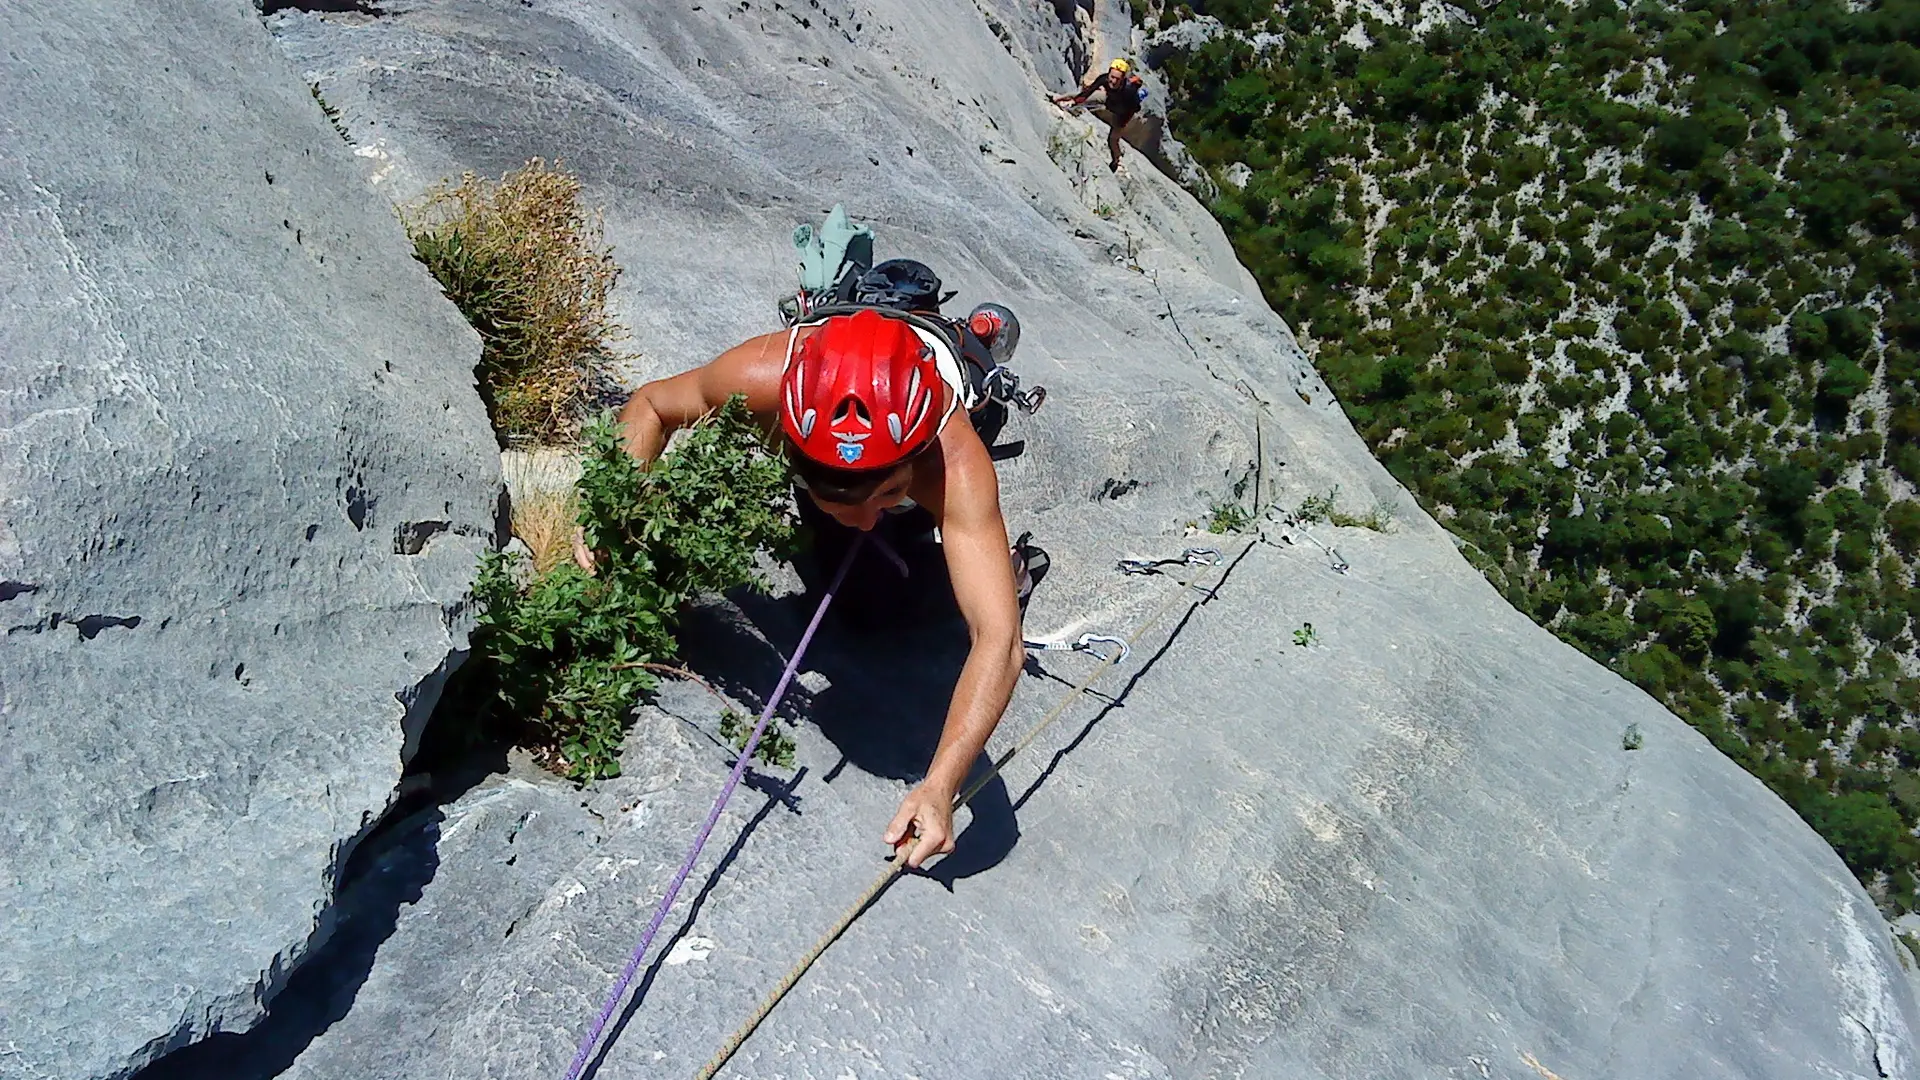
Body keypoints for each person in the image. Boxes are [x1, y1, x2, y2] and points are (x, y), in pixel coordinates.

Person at [580, 306, 1029, 871]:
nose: (868, 519)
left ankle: (1007, 565)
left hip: (927, 483)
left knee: (896, 609)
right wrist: (609, 512)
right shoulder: (757, 380)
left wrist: (941, 787)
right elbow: (651, 406)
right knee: (845, 574)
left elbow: (999, 640)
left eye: (886, 495)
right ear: (790, 441)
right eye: (843, 500)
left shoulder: (955, 463)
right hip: (848, 463)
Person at [1052, 58, 1146, 173]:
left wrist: (1123, 120)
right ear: (1109, 74)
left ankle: (1117, 160)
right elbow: (1088, 92)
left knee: (1112, 139)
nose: (1114, 81)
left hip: (1122, 113)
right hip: (1108, 100)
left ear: (1123, 79)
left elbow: (1135, 107)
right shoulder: (1104, 79)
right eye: (1112, 77)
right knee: (1078, 96)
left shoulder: (1129, 90)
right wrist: (1075, 102)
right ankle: (1056, 98)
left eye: (1117, 79)